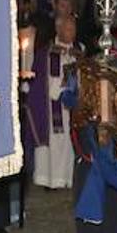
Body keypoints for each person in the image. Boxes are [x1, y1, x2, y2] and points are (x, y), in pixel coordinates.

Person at [26, 14, 81, 190]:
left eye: (74, 28)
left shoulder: (78, 50)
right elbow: (51, 83)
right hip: (55, 107)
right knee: (57, 144)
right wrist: (66, 88)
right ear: (58, 29)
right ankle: (52, 180)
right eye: (68, 28)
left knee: (69, 146)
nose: (72, 32)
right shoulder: (51, 53)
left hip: (75, 105)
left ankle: (69, 179)